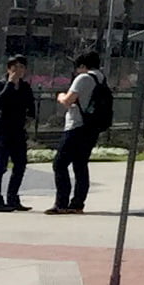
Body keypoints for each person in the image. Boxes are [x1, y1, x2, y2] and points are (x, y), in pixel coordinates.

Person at [49, 50, 104, 214]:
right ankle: (78, 202)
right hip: (91, 127)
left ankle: (62, 203)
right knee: (80, 164)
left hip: (76, 126)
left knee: (59, 164)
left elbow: (68, 101)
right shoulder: (101, 78)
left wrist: (60, 96)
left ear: (82, 66)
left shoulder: (84, 78)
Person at [0, 54, 37, 212]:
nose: (18, 71)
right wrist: (10, 84)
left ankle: (13, 197)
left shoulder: (25, 87)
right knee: (0, 166)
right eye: (15, 67)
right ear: (9, 69)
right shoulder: (0, 85)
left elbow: (31, 105)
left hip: (18, 131)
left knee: (20, 165)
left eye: (22, 68)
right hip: (3, 131)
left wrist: (29, 118)